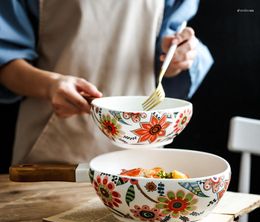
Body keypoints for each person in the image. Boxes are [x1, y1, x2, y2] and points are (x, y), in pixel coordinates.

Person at [0, 0, 213, 166]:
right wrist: (50, 85)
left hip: (143, 152)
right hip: (52, 145)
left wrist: (176, 58)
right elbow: (5, 58)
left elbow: (169, 41)